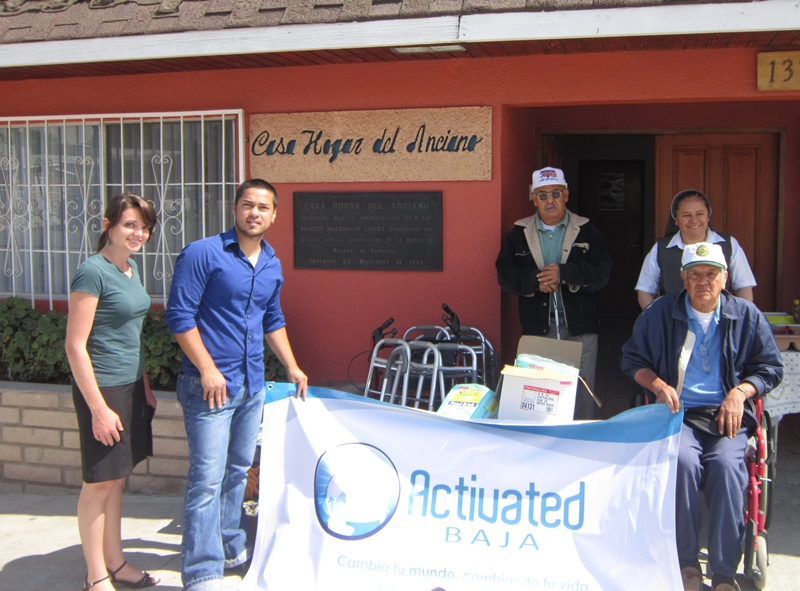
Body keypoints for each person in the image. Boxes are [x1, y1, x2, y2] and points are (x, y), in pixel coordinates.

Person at [166, 178, 308, 591]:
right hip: (209, 387)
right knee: (207, 479)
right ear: (234, 208)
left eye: (263, 207)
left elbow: (272, 319)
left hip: (251, 386)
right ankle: (201, 569)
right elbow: (180, 316)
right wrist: (207, 368)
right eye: (248, 205)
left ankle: (230, 546)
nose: (254, 213)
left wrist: (292, 366)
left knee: (238, 472)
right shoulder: (203, 253)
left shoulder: (271, 263)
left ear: (274, 215)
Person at [621, 242, 782, 591]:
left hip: (728, 416)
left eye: (711, 274)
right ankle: (687, 564)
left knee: (727, 466)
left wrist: (740, 392)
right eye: (694, 274)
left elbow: (770, 368)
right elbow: (632, 360)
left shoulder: (747, 315)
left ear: (725, 278)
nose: (703, 281)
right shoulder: (661, 313)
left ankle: (724, 572)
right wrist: (659, 385)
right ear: (683, 278)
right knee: (681, 463)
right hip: (679, 414)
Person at [65, 193, 160, 591]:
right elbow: (75, 346)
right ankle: (96, 576)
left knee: (117, 478)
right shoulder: (93, 272)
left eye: (144, 227)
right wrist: (99, 409)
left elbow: (130, 336)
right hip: (102, 390)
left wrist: (145, 387)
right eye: (130, 224)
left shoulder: (130, 269)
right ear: (108, 225)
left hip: (129, 386)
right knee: (99, 482)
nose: (139, 233)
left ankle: (116, 562)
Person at [495, 166, 612, 420]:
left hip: (581, 327)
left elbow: (602, 273)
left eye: (556, 193)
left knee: (582, 393)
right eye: (543, 195)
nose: (550, 200)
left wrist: (565, 274)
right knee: (539, 395)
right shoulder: (518, 233)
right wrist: (536, 281)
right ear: (534, 198)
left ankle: (579, 440)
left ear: (566, 195)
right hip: (538, 326)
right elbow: (505, 275)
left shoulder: (587, 230)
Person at [636, 189, 756, 309]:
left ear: (708, 217)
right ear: (676, 220)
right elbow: (645, 291)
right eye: (686, 215)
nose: (694, 220)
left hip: (720, 319)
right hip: (673, 319)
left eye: (700, 214)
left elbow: (743, 287)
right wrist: (657, 318)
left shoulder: (729, 244)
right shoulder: (661, 249)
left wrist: (739, 317)